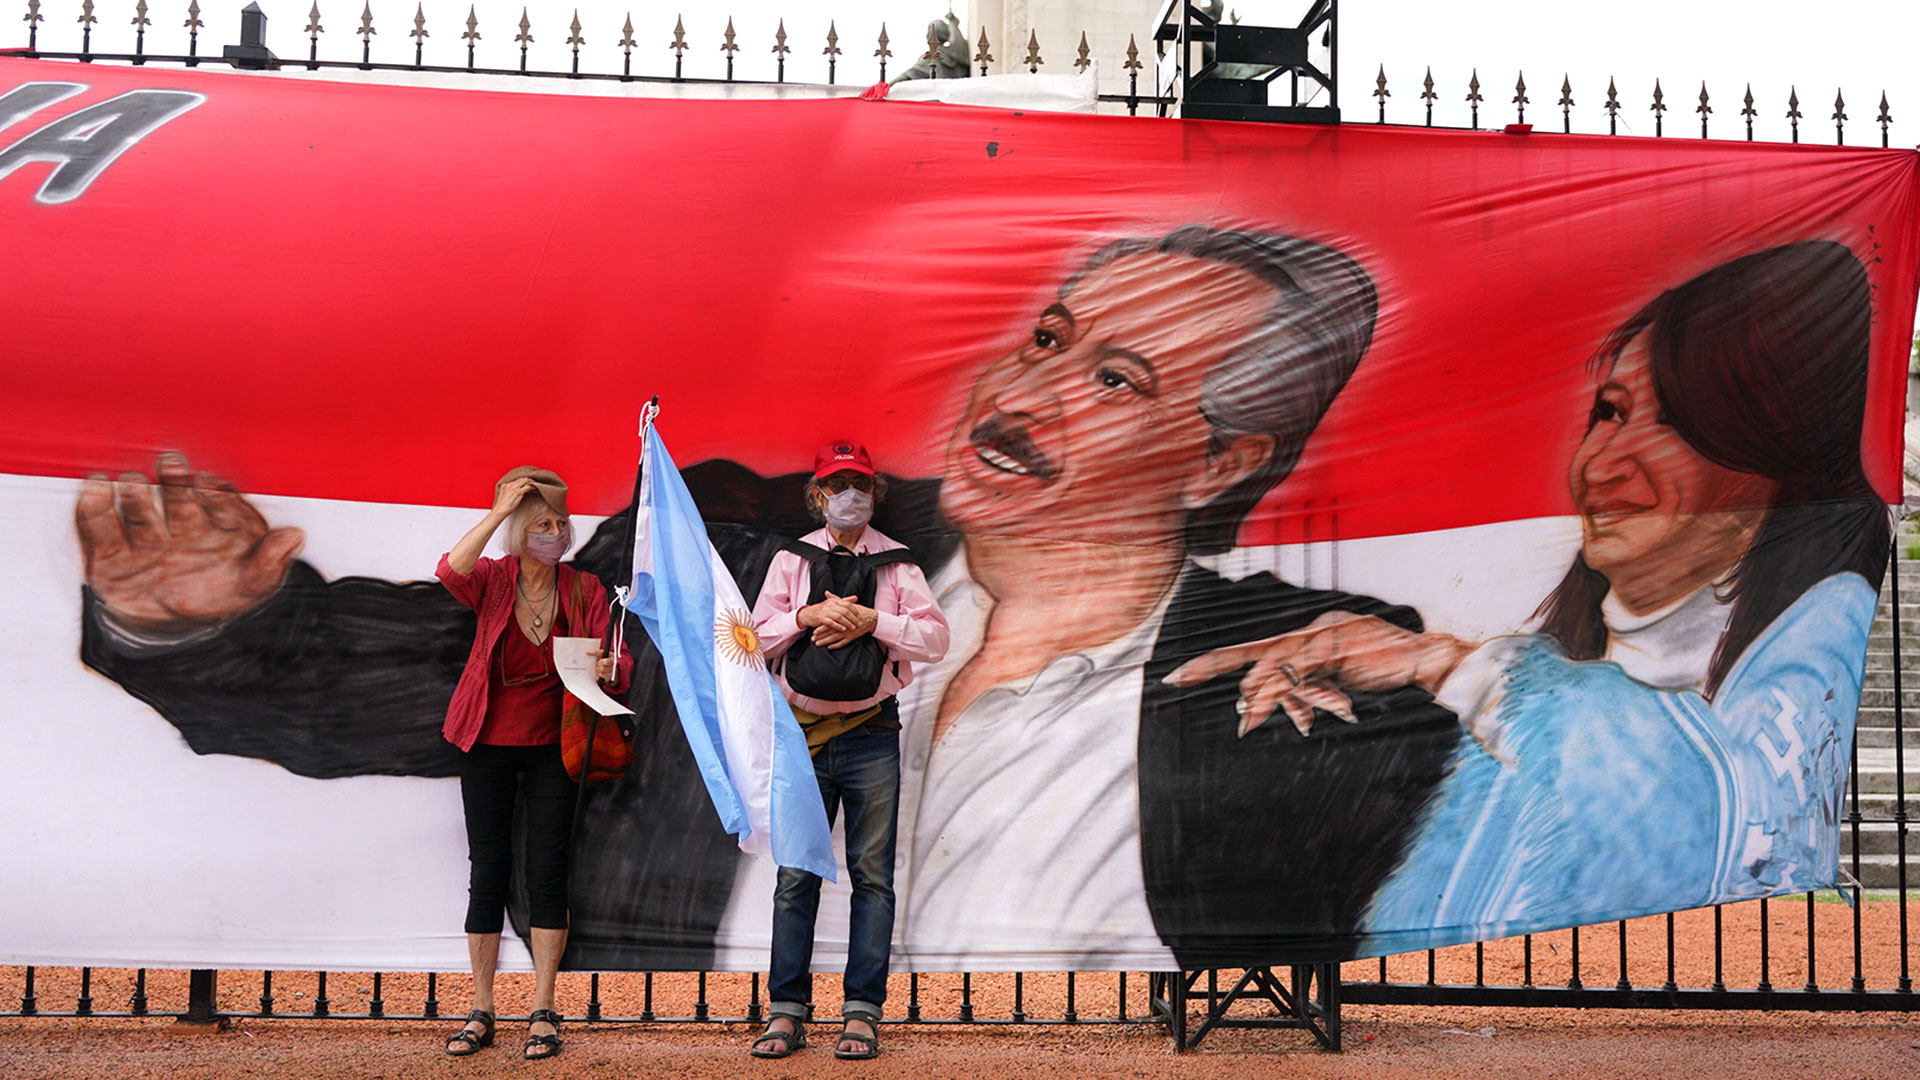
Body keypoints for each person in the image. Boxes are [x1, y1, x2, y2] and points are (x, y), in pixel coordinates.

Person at [76, 224, 1459, 970]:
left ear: (1224, 458)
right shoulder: (731, 541)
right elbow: (460, 671)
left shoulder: (1320, 668)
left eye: (1115, 382)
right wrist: (209, 621)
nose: (1026, 398)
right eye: (1047, 339)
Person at [1167, 240, 1888, 953]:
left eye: (1672, 423)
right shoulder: (1549, 678)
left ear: (1770, 458)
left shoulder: (1817, 621)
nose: (1603, 465)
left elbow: (1748, 819)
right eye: (1610, 412)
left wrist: (1449, 665)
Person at [745, 441, 949, 1060]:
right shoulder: (791, 561)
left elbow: (936, 639)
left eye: (860, 484)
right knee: (795, 875)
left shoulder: (897, 565)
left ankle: (862, 1013)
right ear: (817, 495)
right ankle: (786, 1011)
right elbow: (751, 640)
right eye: (837, 486)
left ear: (874, 494)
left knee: (872, 877)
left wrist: (873, 624)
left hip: (869, 734)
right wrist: (807, 617)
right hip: (802, 734)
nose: (849, 496)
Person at [435, 467, 633, 1059]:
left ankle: (544, 1007)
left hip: (556, 743)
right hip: (485, 740)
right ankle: (481, 1008)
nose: (554, 533)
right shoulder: (494, 579)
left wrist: (608, 672)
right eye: (541, 524)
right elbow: (450, 570)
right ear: (520, 532)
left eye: (559, 524)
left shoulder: (584, 588)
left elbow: (617, 663)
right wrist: (498, 512)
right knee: (487, 868)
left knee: (547, 868)